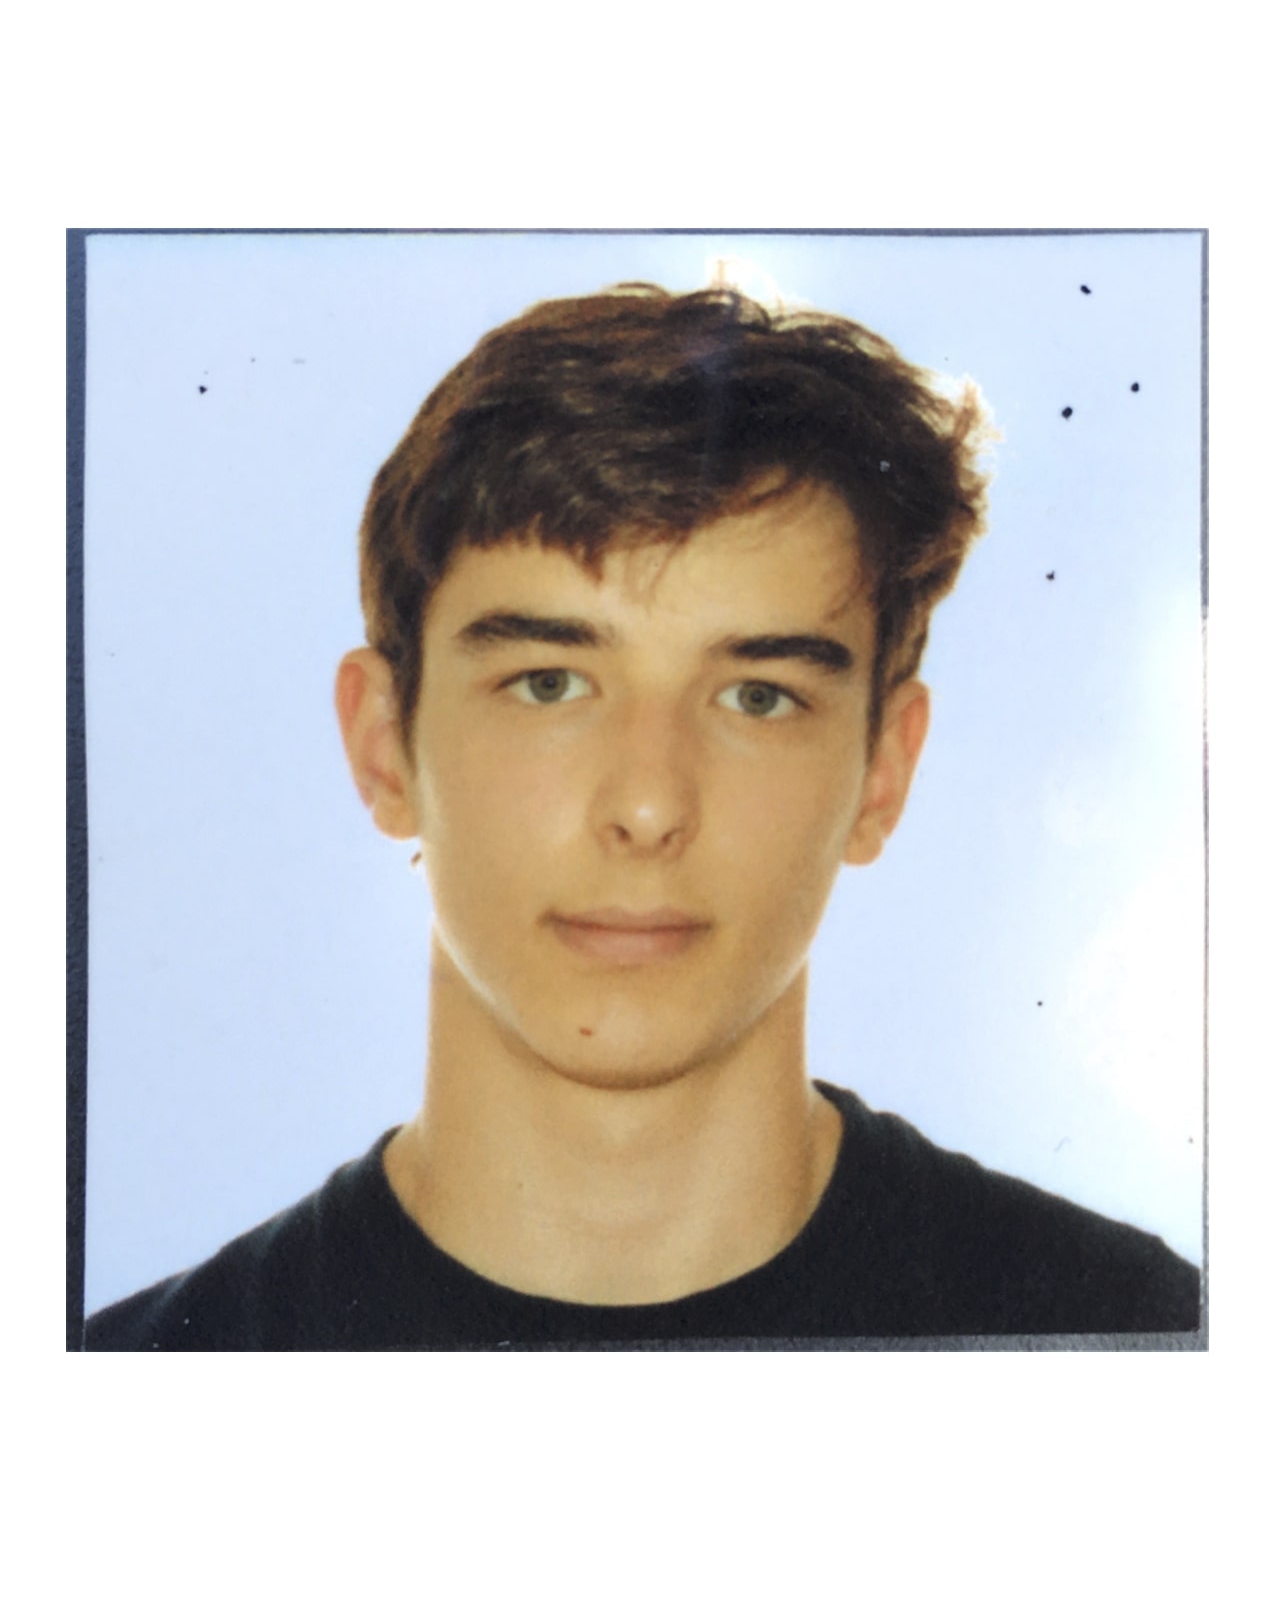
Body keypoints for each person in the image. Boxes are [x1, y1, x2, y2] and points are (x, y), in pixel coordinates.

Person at [85, 283, 1200, 1349]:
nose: (650, 805)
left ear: (882, 773)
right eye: (549, 684)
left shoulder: (1139, 1338)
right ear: (383, 746)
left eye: (757, 697)